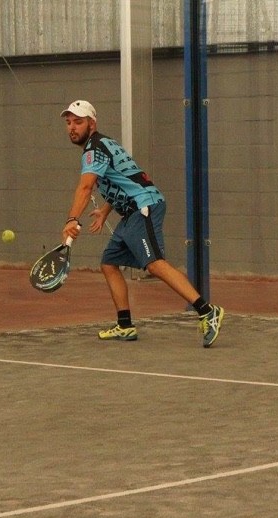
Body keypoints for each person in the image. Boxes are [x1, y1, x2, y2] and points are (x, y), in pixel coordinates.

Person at [59, 100, 224, 348]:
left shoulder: (94, 149)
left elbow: (85, 186)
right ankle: (125, 325)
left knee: (155, 264)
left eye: (78, 122)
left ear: (92, 124)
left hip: (143, 207)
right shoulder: (106, 143)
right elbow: (126, 178)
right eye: (69, 122)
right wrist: (105, 210)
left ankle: (207, 310)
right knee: (109, 263)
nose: (72, 127)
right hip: (133, 211)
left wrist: (72, 220)